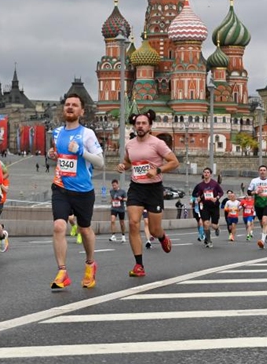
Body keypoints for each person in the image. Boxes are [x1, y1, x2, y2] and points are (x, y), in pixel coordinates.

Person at [47, 93, 104, 289]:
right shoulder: (56, 133)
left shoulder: (87, 134)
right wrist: (53, 154)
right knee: (58, 227)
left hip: (83, 190)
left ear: (81, 111)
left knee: (85, 229)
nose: (70, 107)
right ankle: (62, 271)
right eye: (67, 105)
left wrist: (81, 151)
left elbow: (100, 162)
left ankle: (90, 264)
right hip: (61, 187)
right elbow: (61, 156)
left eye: (74, 105)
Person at [116, 109, 177, 277]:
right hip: (136, 187)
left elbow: (174, 162)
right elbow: (128, 162)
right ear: (135, 126)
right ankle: (139, 265)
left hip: (154, 189)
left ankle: (162, 237)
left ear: (150, 126)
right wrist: (123, 166)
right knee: (134, 223)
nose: (140, 126)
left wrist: (158, 169)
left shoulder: (157, 143)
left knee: (155, 229)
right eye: (138, 124)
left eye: (144, 123)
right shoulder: (130, 144)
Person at [247, 165, 267, 249]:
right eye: (261, 170)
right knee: (262, 223)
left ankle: (262, 241)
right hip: (258, 203)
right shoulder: (254, 181)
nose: (262, 171)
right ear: (259, 172)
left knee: (265, 221)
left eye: (264, 170)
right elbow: (249, 192)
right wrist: (256, 192)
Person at [192, 168, 224, 248]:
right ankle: (209, 241)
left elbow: (221, 192)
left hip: (214, 206)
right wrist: (198, 197)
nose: (206, 174)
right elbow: (194, 194)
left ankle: (217, 228)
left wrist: (216, 198)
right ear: (203, 174)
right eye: (205, 172)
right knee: (206, 223)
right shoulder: (200, 185)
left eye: (208, 172)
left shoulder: (214, 184)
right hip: (204, 206)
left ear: (210, 174)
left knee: (213, 225)